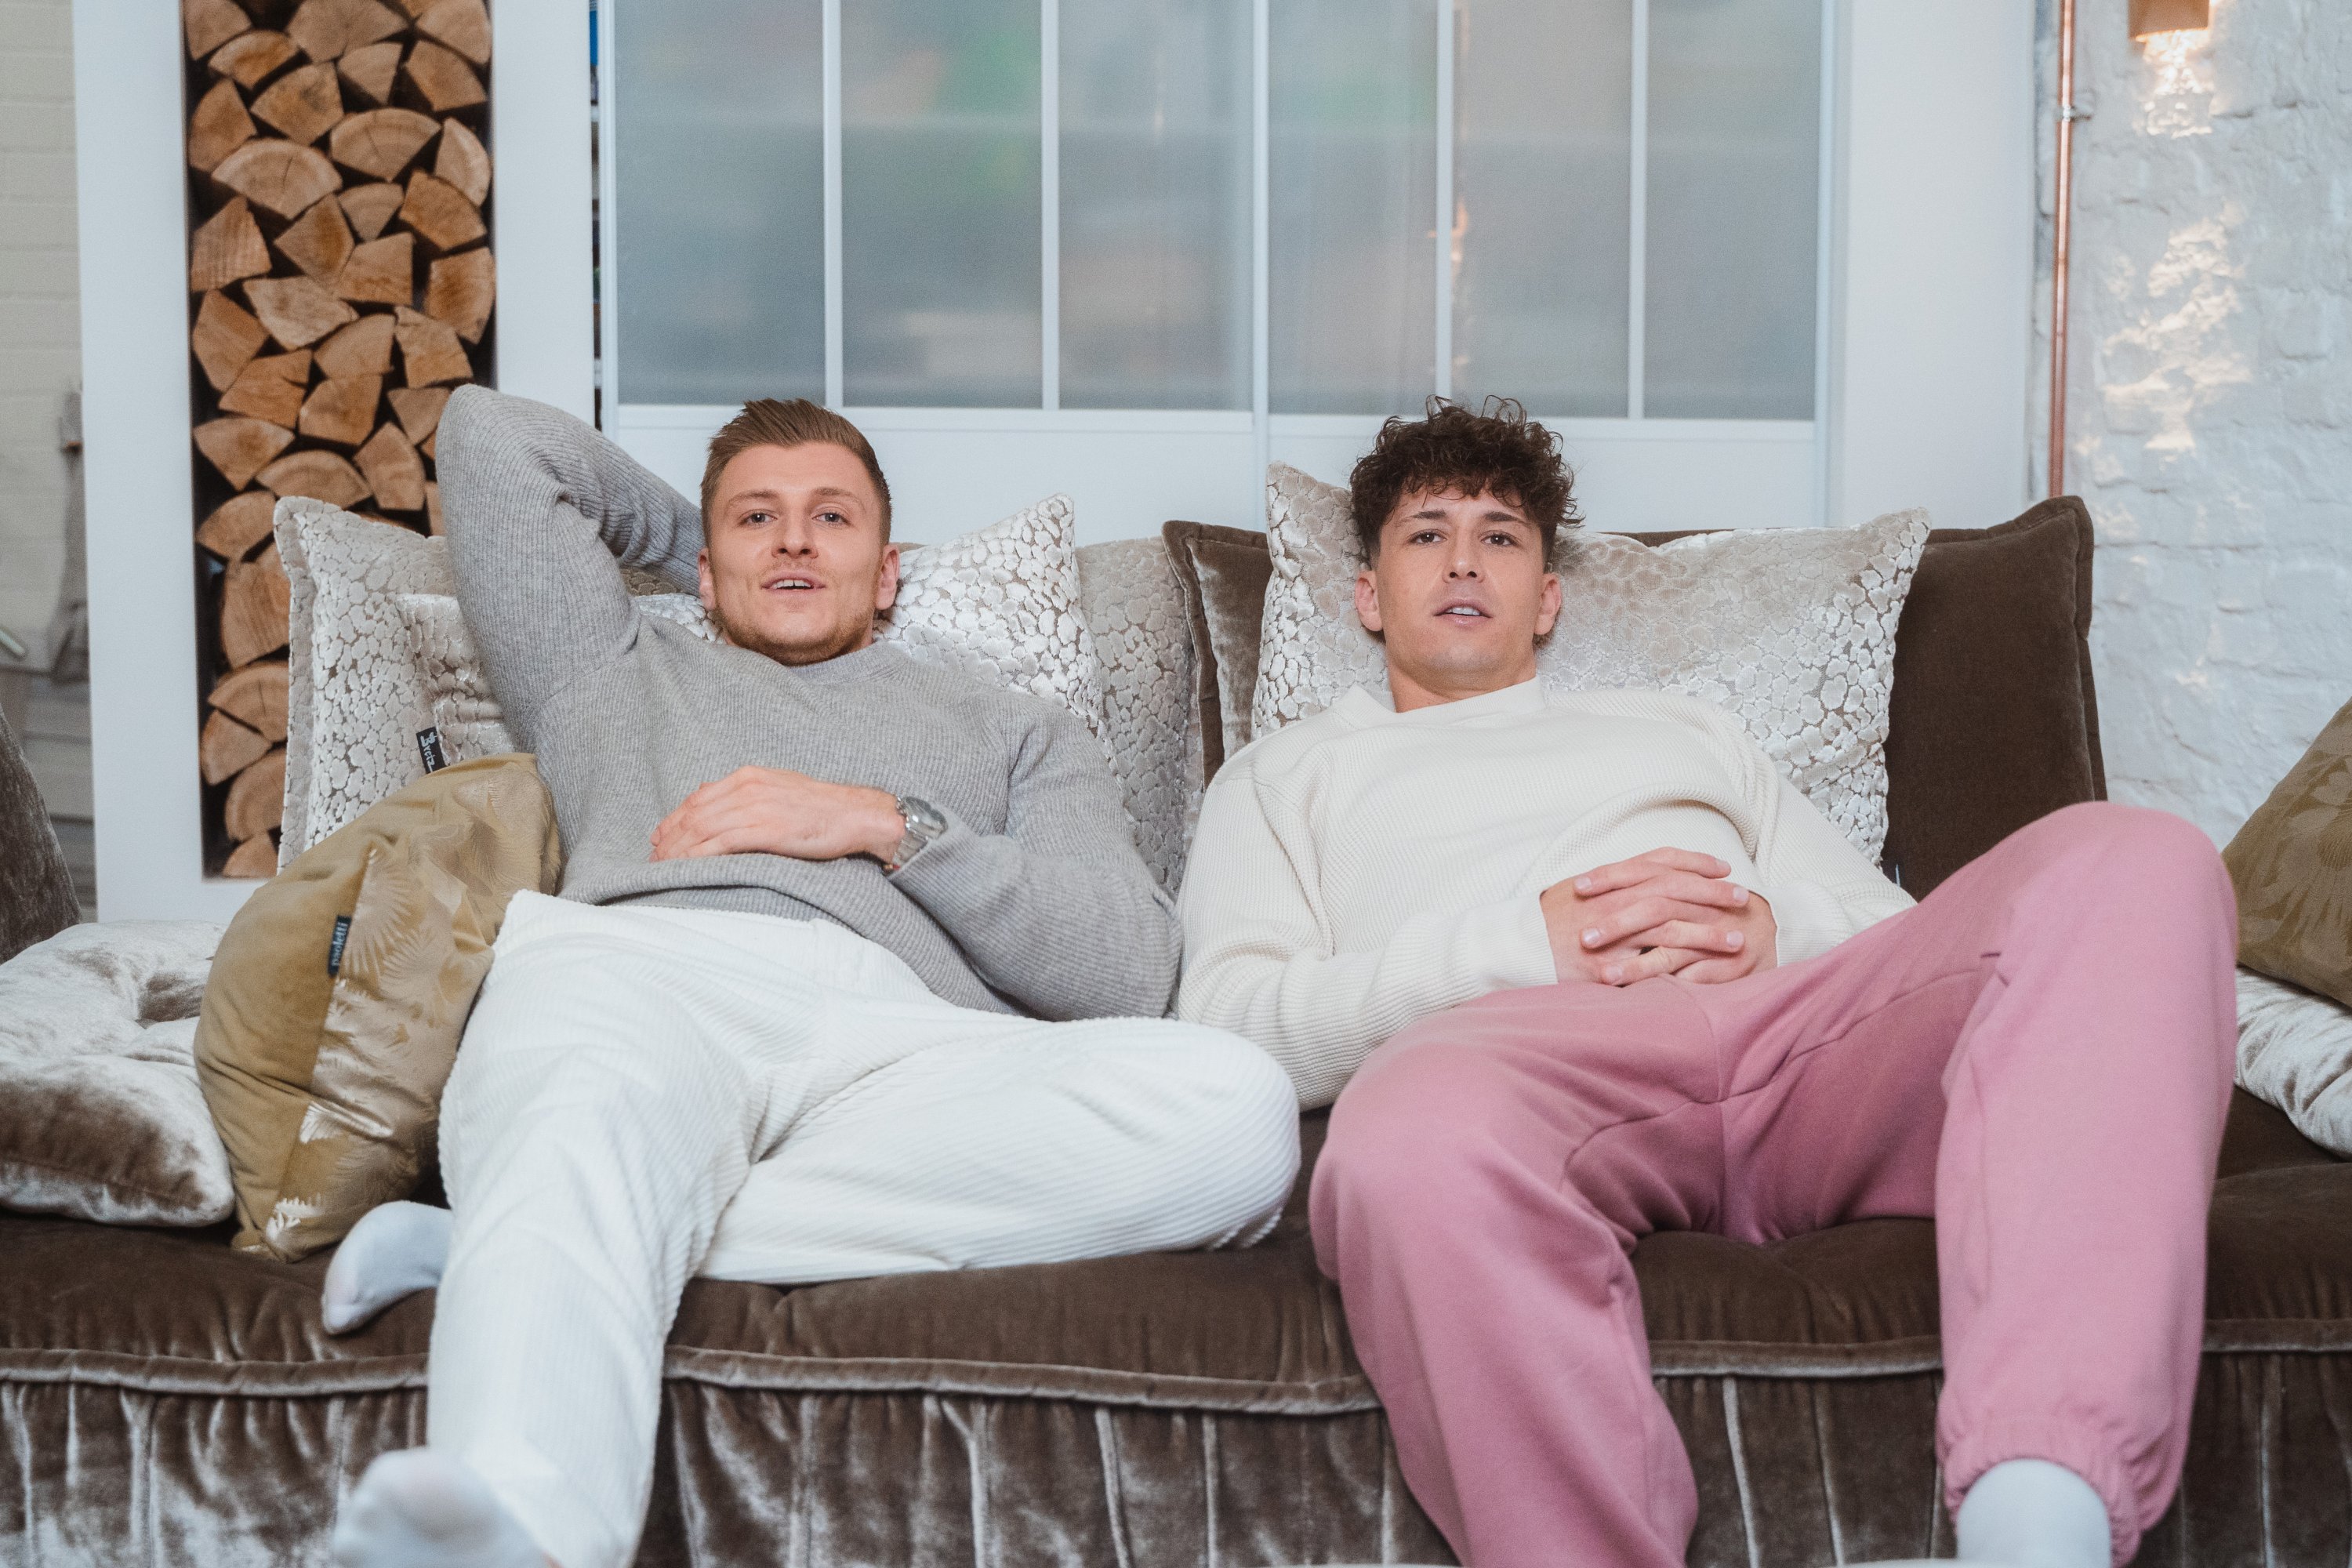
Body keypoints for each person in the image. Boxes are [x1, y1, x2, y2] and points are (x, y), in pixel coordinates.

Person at [1176, 399, 2238, 1568]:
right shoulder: (1284, 777)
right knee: (1401, 1140)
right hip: (1514, 1062)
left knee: (2136, 857)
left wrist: (1777, 936)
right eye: (1427, 535)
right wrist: (1520, 948)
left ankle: (2040, 1528)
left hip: (1799, 1039)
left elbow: (1907, 939)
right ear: (1370, 597)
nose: (1466, 558)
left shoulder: (1683, 729)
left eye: (1503, 535)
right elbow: (1232, 1030)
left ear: (1550, 597)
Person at [325, 388, 1300, 1568]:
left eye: (831, 520)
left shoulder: (1017, 729)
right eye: (757, 521)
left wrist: (885, 823)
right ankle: (517, 1523)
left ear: (889, 574)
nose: (793, 540)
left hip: (909, 1048)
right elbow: (490, 433)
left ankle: (526, 1224)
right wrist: (714, 552)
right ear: (703, 562)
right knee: (593, 1093)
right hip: (650, 976)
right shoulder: (605, 668)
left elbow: (1132, 971)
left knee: (1238, 1113)